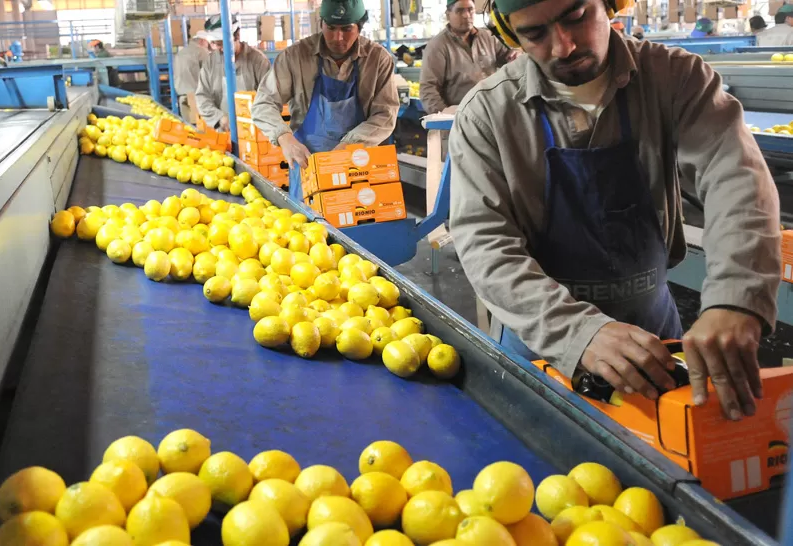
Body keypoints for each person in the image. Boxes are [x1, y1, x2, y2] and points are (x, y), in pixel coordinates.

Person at [449, 0, 781, 420]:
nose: (564, 46)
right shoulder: (488, 113)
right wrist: (577, 332)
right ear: (511, 33)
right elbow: (485, 242)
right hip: (543, 345)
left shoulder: (675, 79)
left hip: (655, 335)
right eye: (536, 33)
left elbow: (737, 181)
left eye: (576, 17)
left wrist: (736, 298)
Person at [252, 0, 400, 201]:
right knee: (306, 226)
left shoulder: (377, 59)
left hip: (357, 164)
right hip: (307, 165)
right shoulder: (295, 57)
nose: (338, 37)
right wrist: (284, 137)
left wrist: (349, 145)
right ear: (320, 23)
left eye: (347, 29)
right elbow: (263, 104)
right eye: (330, 28)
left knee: (355, 221)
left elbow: (385, 114)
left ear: (359, 26)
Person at [419, 0, 519, 115]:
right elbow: (428, 89)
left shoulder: (488, 37)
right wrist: (444, 114)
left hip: (491, 114)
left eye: (470, 10)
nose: (467, 15)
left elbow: (510, 55)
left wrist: (516, 53)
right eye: (460, 11)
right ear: (448, 14)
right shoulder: (437, 46)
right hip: (458, 120)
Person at [196, 15, 271, 132]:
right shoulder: (210, 62)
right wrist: (220, 118)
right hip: (222, 131)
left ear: (237, 36)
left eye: (223, 43)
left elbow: (270, 97)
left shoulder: (258, 61)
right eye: (216, 44)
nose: (219, 48)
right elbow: (202, 97)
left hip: (254, 131)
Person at [174, 28, 213, 125]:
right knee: (200, 127)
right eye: (207, 43)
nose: (208, 46)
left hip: (181, 94)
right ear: (202, 41)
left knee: (189, 127)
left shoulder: (181, 52)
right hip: (194, 96)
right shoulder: (201, 52)